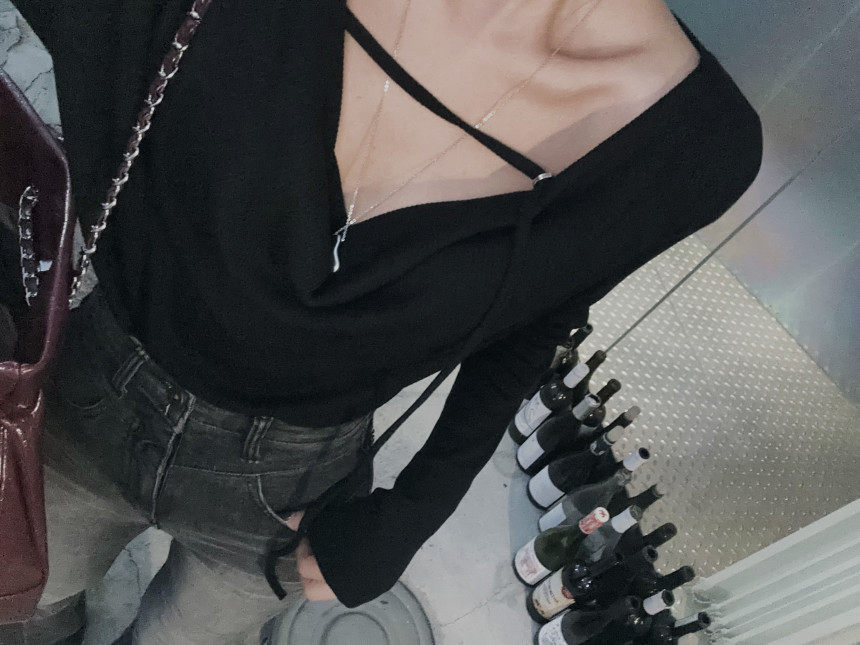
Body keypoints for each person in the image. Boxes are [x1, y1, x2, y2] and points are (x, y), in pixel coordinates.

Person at [3, 0, 763, 643]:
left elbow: (535, 322)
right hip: (83, 398)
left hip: (283, 491)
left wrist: (419, 506)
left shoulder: (693, 145)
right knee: (25, 607)